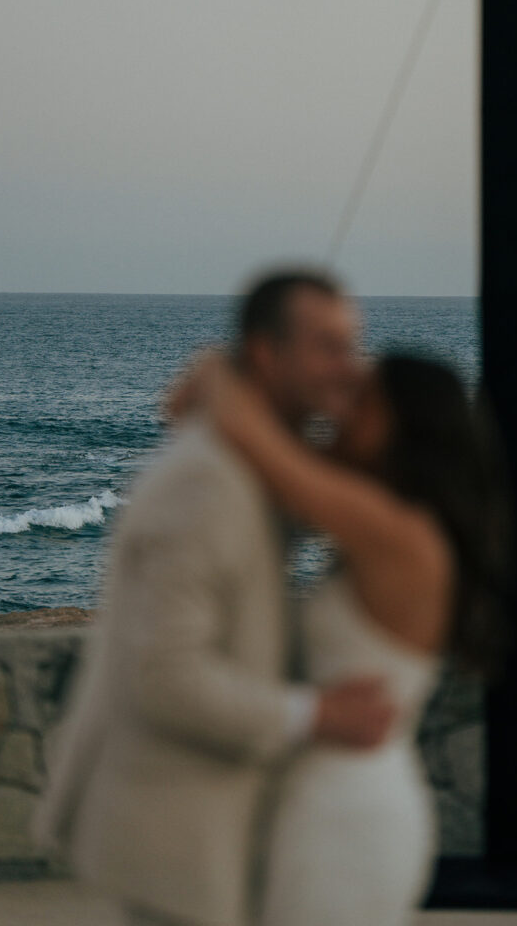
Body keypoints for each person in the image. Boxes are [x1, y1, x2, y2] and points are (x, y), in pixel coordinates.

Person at [33, 270, 399, 926]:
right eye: (328, 346)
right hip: (176, 837)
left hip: (218, 827)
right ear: (265, 352)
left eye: (353, 345)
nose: (350, 367)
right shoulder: (205, 483)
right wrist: (313, 716)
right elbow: (163, 677)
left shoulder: (253, 462)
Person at [171, 350, 510, 926]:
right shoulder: (392, 520)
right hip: (321, 798)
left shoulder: (400, 535)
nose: (346, 411)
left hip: (349, 816)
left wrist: (221, 374)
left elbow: (268, 455)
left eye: (365, 400)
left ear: (406, 425)